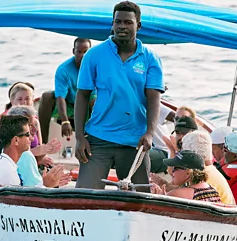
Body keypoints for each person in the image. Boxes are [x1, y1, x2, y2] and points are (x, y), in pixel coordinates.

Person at [74, 1, 164, 190]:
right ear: (112, 24)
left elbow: (154, 98)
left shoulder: (150, 58)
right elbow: (82, 96)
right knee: (84, 198)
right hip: (98, 139)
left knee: (139, 200)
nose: (122, 26)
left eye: (128, 22)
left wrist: (149, 133)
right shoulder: (94, 55)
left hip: (134, 141)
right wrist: (80, 137)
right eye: (118, 22)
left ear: (138, 25)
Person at [0, 106, 70, 187]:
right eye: (29, 127)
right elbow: (33, 195)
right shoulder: (25, 155)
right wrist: (47, 184)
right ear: (16, 139)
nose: (34, 130)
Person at [38, 38, 96, 144]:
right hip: (70, 104)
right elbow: (60, 97)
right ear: (73, 51)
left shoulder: (96, 67)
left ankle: (94, 140)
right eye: (79, 51)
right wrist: (65, 121)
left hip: (88, 104)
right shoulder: (63, 69)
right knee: (46, 97)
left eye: (86, 52)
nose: (82, 55)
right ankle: (43, 143)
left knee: (96, 101)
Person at [151, 150, 221, 203]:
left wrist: (157, 199)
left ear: (188, 172)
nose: (172, 171)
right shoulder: (212, 190)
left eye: (176, 168)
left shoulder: (176, 194)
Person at [0, 115, 30, 186]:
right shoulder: (8, 172)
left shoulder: (4, 164)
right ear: (16, 140)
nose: (31, 138)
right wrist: (46, 185)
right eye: (27, 134)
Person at [149, 103, 175, 173]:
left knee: (129, 153)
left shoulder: (147, 101)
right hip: (147, 149)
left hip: (163, 153)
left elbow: (178, 118)